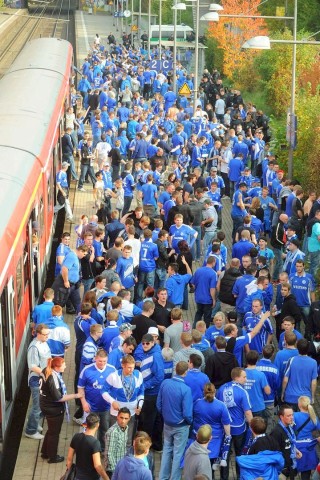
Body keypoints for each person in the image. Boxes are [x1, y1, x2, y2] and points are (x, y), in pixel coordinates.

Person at [39, 357, 81, 463]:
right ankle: (52, 457)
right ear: (57, 367)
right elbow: (59, 398)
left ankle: (45, 452)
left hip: (45, 404)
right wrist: (76, 395)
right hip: (53, 408)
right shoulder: (53, 378)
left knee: (50, 430)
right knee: (54, 433)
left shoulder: (46, 370)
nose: (66, 366)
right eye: (64, 365)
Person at [157, 361, 193, 480]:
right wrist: (189, 422)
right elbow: (187, 413)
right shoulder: (186, 389)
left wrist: (166, 416)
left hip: (167, 423)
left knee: (167, 450)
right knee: (178, 453)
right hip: (181, 426)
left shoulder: (165, 383)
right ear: (186, 372)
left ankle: (163, 477)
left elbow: (159, 404)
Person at [216, 367, 253, 480]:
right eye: (244, 377)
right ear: (237, 377)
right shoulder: (242, 392)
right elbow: (247, 412)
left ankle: (224, 477)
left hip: (225, 428)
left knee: (225, 454)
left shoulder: (221, 389)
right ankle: (239, 476)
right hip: (239, 428)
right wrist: (252, 428)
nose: (246, 379)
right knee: (240, 454)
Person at [103, 354, 144, 446]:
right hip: (116, 412)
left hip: (132, 412)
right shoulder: (113, 376)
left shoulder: (138, 375)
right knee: (114, 438)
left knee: (128, 440)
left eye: (133, 367)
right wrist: (112, 401)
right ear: (122, 365)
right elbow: (103, 391)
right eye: (129, 368)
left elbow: (141, 392)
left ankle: (126, 459)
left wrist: (140, 405)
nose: (131, 370)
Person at [192, 383, 231, 468]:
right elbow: (226, 425)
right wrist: (228, 436)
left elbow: (192, 417)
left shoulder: (197, 403)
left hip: (199, 438)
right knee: (210, 467)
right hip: (215, 440)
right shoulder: (221, 405)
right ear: (215, 391)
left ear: (203, 392)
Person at [25, 323, 51, 440]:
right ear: (38, 334)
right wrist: (45, 374)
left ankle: (33, 422)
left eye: (48, 334)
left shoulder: (43, 343)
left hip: (42, 378)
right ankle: (31, 430)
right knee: (37, 407)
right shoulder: (34, 347)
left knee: (42, 405)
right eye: (45, 334)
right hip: (36, 380)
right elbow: (32, 366)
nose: (47, 336)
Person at [66, 412, 110, 480]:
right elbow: (97, 465)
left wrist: (69, 473)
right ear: (98, 425)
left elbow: (69, 459)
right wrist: (106, 478)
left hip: (78, 476)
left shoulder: (76, 437)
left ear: (86, 424)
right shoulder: (95, 443)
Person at [281, 338, 318, 410]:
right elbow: (313, 382)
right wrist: (312, 397)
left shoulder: (291, 360)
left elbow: (285, 379)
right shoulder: (313, 362)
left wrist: (283, 393)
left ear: (297, 348)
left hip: (290, 397)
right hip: (305, 398)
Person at [52, 245, 88, 313]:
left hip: (73, 285)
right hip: (65, 284)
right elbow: (64, 269)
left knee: (77, 301)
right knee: (60, 302)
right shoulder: (72, 257)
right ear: (80, 251)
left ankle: (80, 315)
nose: (84, 256)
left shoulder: (75, 257)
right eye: (84, 254)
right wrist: (66, 281)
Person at [270, 405, 302, 479]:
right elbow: (273, 451)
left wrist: (295, 450)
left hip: (292, 466)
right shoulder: (276, 432)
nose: (292, 417)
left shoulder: (289, 426)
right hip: (283, 470)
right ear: (281, 417)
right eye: (288, 415)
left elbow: (288, 442)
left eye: (292, 415)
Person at [294, 396, 320, 480]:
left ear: (299, 405)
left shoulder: (294, 415)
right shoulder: (314, 417)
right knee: (306, 473)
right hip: (309, 446)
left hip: (296, 446)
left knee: (292, 469)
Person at [191, 256, 218, 327]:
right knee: (207, 317)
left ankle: (194, 328)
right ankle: (205, 331)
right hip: (207, 299)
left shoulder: (198, 270)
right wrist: (214, 299)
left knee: (198, 313)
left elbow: (193, 284)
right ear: (213, 262)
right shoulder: (213, 273)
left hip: (198, 298)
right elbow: (212, 288)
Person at [104, 407, 131, 478]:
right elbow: (109, 454)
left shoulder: (126, 428)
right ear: (117, 417)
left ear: (129, 419)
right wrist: (116, 471)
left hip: (121, 465)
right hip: (113, 470)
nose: (123, 421)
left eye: (126, 418)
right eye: (121, 418)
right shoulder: (112, 432)